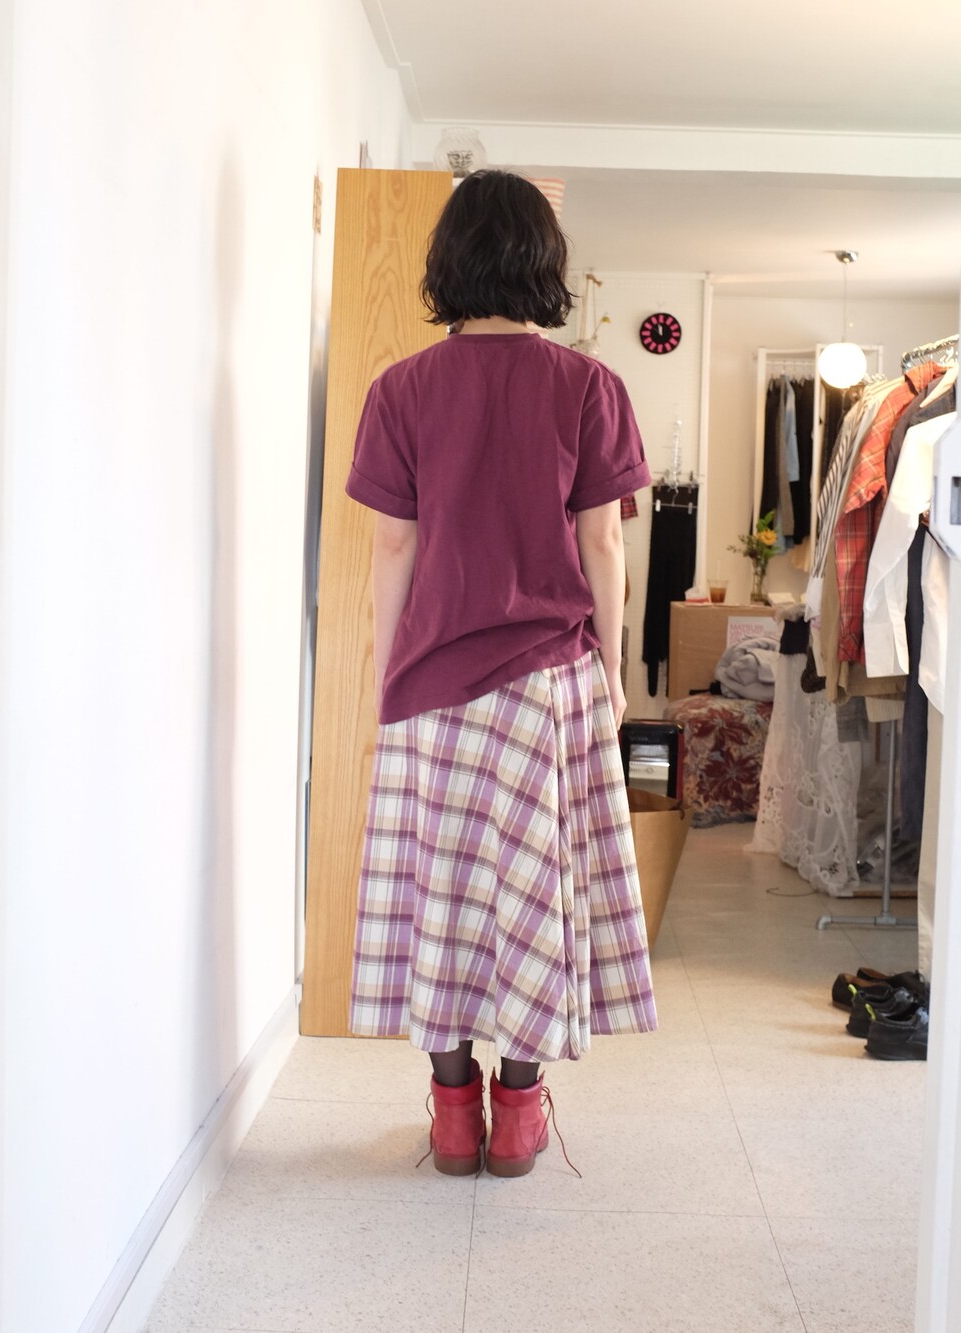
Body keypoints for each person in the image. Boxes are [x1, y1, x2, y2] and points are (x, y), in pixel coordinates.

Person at [345, 169, 656, 1178]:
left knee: (440, 892)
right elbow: (603, 544)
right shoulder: (589, 387)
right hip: (546, 680)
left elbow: (394, 548)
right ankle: (518, 1115)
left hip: (434, 686)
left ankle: (451, 1114)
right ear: (543, 264)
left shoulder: (399, 389)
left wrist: (393, 673)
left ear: (448, 261)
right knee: (532, 895)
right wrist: (613, 669)